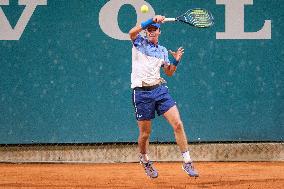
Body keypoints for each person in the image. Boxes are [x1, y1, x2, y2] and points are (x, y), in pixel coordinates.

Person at [129, 15, 199, 178]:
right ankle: (145, 159)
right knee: (145, 134)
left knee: (178, 124)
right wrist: (151, 20)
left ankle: (187, 162)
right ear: (146, 33)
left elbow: (169, 72)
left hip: (159, 90)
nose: (152, 32)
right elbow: (132, 32)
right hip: (141, 93)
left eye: (155, 30)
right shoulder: (138, 42)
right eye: (149, 30)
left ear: (159, 32)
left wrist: (175, 62)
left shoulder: (162, 51)